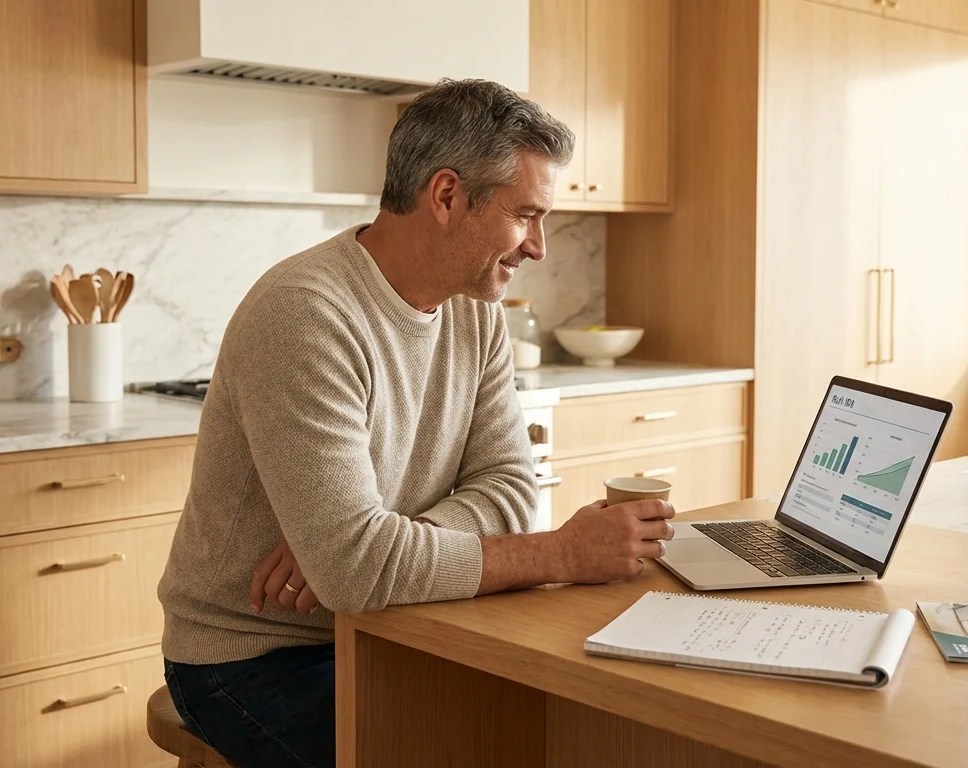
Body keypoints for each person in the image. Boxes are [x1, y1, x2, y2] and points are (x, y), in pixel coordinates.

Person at [155, 78, 677, 768]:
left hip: (398, 619)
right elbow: (358, 568)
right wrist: (564, 554)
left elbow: (511, 489)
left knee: (564, 729)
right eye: (525, 215)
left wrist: (382, 551)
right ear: (446, 196)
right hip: (259, 655)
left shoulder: (476, 312)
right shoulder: (307, 313)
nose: (539, 248)